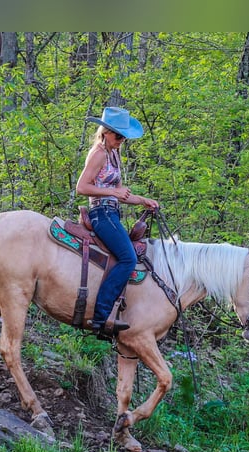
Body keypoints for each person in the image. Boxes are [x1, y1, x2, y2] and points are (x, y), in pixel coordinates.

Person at [75, 106, 160, 337]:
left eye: (123, 136)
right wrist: (113, 193)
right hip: (101, 214)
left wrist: (144, 201)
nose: (121, 140)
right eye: (118, 135)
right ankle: (101, 317)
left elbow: (119, 192)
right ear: (105, 132)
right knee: (128, 258)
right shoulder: (100, 153)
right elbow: (82, 187)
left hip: (111, 213)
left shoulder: (113, 154)